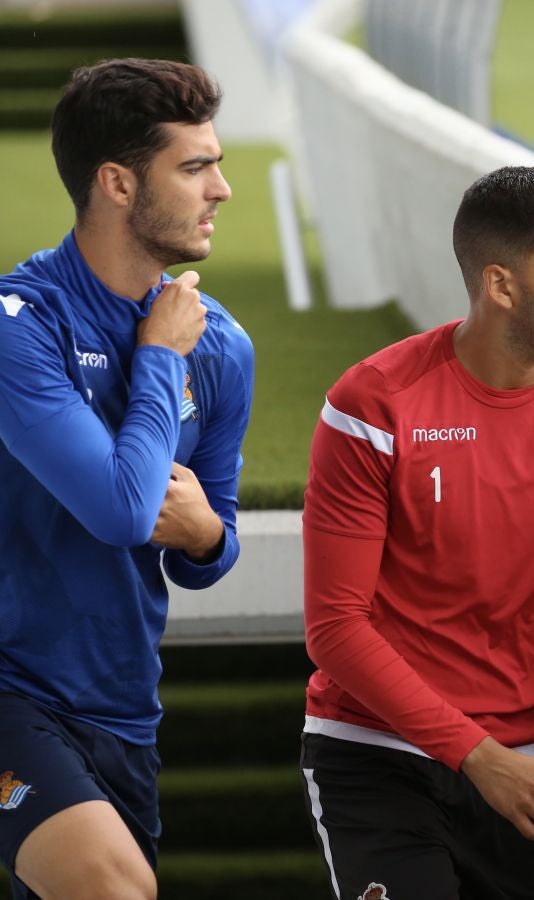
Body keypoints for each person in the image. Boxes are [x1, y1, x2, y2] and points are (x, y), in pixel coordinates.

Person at [299, 166, 534, 900]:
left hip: (528, 777)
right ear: (500, 286)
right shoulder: (372, 403)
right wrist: (477, 756)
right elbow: (335, 626)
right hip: (376, 753)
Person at [0, 58, 254, 899]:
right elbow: (119, 510)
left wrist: (210, 534)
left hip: (123, 709)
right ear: (116, 182)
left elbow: (203, 546)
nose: (220, 189)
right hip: (10, 688)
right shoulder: (19, 325)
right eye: (194, 167)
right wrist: (155, 358)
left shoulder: (223, 346)